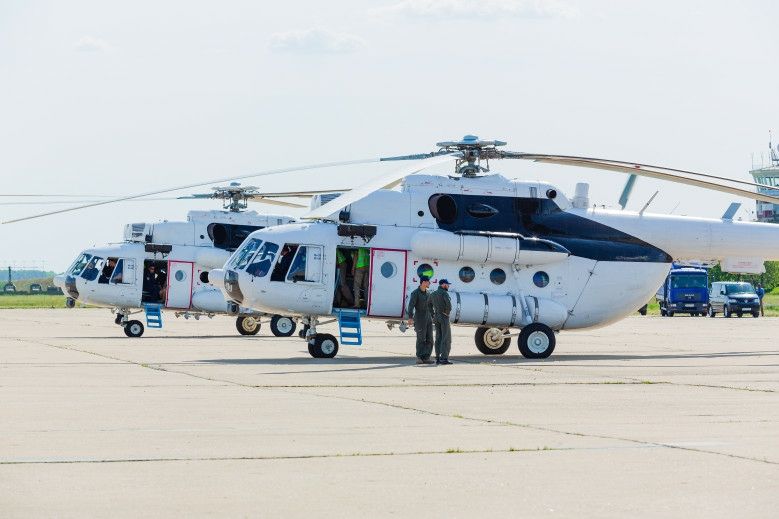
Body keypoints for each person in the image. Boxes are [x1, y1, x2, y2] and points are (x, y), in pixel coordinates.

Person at [406, 275, 434, 365]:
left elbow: (430, 305)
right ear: (423, 282)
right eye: (428, 281)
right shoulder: (415, 293)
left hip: (428, 318)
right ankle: (419, 356)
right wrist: (410, 317)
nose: (429, 283)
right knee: (421, 338)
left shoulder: (428, 293)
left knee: (430, 338)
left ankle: (426, 357)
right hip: (419, 318)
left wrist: (433, 316)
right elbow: (411, 306)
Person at [430, 278, 453, 365]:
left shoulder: (433, 293)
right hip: (444, 317)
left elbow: (429, 304)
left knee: (438, 337)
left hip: (436, 317)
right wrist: (447, 313)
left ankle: (437, 357)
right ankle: (444, 358)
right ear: (443, 284)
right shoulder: (444, 293)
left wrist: (432, 314)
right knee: (446, 337)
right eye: (447, 284)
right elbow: (449, 305)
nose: (448, 286)